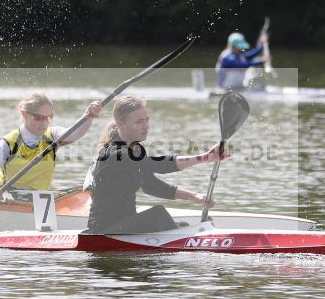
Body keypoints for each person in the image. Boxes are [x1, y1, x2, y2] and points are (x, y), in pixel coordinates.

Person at [85, 95, 229, 234]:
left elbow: (150, 185)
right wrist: (204, 158)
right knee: (158, 215)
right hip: (104, 231)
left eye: (147, 120)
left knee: (183, 226)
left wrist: (195, 197)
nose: (146, 126)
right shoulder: (115, 154)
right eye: (139, 121)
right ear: (120, 123)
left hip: (124, 225)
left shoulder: (135, 150)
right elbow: (158, 165)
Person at [0, 91, 102, 203]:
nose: (44, 123)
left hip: (41, 202)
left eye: (48, 118)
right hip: (11, 202)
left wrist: (88, 116)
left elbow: (74, 133)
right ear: (24, 114)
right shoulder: (8, 143)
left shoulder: (52, 136)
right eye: (38, 118)